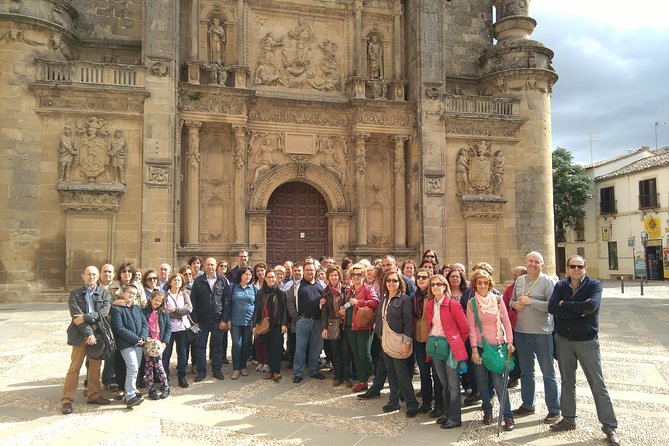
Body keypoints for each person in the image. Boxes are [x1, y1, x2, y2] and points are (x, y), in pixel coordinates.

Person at [548, 256, 620, 446]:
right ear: (567, 268)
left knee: (597, 384)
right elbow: (552, 307)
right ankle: (568, 419)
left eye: (580, 266)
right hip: (563, 340)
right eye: (573, 266)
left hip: (587, 341)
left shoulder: (594, 285)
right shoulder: (560, 286)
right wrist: (576, 310)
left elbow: (591, 306)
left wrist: (566, 305)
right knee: (566, 381)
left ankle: (609, 427)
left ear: (585, 269)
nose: (576, 269)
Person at [510, 251, 560, 423]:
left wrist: (532, 302)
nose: (533, 264)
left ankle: (554, 409)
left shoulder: (548, 282)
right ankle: (528, 404)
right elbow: (511, 301)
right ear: (526, 262)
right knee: (526, 371)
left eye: (537, 262)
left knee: (548, 372)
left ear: (542, 264)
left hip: (542, 333)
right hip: (521, 332)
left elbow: (553, 306)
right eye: (530, 261)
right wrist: (514, 304)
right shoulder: (520, 280)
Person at [467, 269, 515, 431]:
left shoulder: (498, 300)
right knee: (482, 382)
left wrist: (510, 341)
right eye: (479, 283)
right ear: (475, 285)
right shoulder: (472, 303)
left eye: (485, 283)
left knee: (499, 382)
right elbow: (472, 327)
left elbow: (506, 322)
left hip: (497, 346)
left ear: (489, 284)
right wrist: (473, 349)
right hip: (480, 347)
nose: (482, 286)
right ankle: (487, 410)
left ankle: (507, 416)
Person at [60, 266, 112, 414]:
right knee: (74, 367)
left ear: (98, 277)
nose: (91, 277)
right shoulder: (74, 294)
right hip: (80, 335)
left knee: (95, 367)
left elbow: (102, 314)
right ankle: (67, 400)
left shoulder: (105, 294)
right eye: (88, 274)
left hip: (98, 336)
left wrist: (86, 318)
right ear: (83, 276)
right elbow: (76, 318)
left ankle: (93, 395)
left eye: (94, 274)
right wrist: (89, 333)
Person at [426, 274, 469, 429]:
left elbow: (464, 328)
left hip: (450, 347)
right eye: (433, 284)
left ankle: (455, 418)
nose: (435, 286)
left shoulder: (453, 304)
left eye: (439, 284)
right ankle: (446, 413)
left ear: (445, 286)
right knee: (443, 382)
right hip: (436, 346)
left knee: (453, 384)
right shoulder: (430, 304)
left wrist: (455, 343)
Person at [376, 270, 418, 418]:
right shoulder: (384, 298)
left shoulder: (404, 299)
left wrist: (407, 342)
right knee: (391, 372)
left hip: (399, 341)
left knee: (402, 375)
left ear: (399, 283)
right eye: (388, 281)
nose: (391, 283)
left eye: (394, 280)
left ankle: (412, 403)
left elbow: (408, 323)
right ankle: (394, 401)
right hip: (386, 341)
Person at [412, 268, 443, 417]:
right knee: (424, 372)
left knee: (436, 373)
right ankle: (426, 401)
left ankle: (439, 403)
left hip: (432, 337)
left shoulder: (433, 297)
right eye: (418, 277)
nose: (421, 279)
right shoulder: (414, 296)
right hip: (418, 339)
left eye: (424, 277)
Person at [190, 257, 228, 382]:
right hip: (202, 320)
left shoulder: (222, 281)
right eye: (208, 264)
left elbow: (226, 301)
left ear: (216, 266)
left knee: (218, 346)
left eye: (212, 264)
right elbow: (193, 302)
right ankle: (201, 371)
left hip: (218, 319)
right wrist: (195, 321)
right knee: (200, 346)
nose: (210, 267)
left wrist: (224, 320)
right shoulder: (198, 281)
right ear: (204, 266)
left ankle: (216, 370)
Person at [111, 284, 148, 408]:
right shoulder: (117, 308)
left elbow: (144, 323)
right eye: (130, 292)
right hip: (126, 344)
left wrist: (142, 338)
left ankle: (129, 393)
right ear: (123, 293)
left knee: (134, 369)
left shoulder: (137, 308)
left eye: (134, 294)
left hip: (139, 343)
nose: (132, 295)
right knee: (132, 368)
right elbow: (119, 328)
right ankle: (130, 395)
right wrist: (135, 339)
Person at [344, 263, 379, 392]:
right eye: (354, 275)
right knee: (356, 355)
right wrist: (343, 309)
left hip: (364, 326)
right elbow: (348, 304)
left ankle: (372, 374)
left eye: (359, 274)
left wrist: (359, 302)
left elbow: (375, 302)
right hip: (350, 326)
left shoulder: (368, 289)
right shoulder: (350, 289)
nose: (356, 277)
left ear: (363, 276)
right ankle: (362, 381)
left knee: (364, 354)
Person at [289, 261, 326, 382]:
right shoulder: (296, 285)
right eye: (307, 270)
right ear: (303, 271)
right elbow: (290, 302)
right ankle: (298, 373)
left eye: (312, 270)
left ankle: (314, 370)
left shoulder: (321, 285)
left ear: (315, 271)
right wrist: (296, 318)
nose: (310, 272)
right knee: (300, 348)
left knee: (316, 348)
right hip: (303, 321)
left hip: (318, 321)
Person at [320, 266, 352, 387]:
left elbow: (351, 304)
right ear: (328, 277)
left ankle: (347, 377)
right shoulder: (325, 292)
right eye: (331, 275)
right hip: (332, 325)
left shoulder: (346, 289)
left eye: (335, 275)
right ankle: (338, 377)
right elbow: (324, 312)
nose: (334, 277)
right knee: (335, 352)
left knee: (346, 352)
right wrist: (324, 328)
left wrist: (345, 310)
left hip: (345, 324)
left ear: (339, 277)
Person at [253, 269, 287, 381]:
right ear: (265, 278)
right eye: (269, 277)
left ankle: (276, 372)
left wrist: (284, 324)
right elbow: (257, 310)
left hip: (277, 324)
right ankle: (272, 371)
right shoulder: (260, 293)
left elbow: (284, 310)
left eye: (273, 277)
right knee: (268, 347)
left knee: (277, 347)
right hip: (265, 324)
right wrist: (255, 325)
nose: (271, 279)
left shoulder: (281, 292)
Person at [224, 266, 257, 379]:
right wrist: (227, 319)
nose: (248, 276)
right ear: (240, 275)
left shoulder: (254, 288)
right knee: (237, 344)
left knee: (246, 345)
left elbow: (257, 306)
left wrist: (255, 322)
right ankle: (236, 368)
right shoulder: (233, 287)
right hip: (235, 321)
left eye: (249, 274)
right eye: (246, 274)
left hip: (249, 321)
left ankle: (243, 366)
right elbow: (227, 304)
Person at [163, 272, 193, 388]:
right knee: (166, 354)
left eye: (179, 280)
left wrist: (174, 310)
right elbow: (164, 311)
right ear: (170, 282)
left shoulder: (184, 294)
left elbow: (189, 309)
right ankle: (165, 378)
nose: (177, 282)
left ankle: (182, 377)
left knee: (182, 354)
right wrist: (180, 312)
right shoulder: (165, 295)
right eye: (175, 280)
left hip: (182, 328)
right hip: (169, 329)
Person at [142, 290, 171, 400]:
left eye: (160, 301)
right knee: (148, 366)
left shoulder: (163, 312)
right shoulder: (144, 311)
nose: (158, 302)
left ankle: (165, 387)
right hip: (148, 343)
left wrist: (165, 342)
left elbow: (168, 328)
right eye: (156, 300)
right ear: (151, 299)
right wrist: (145, 338)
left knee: (159, 365)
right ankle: (151, 388)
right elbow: (142, 326)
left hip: (159, 343)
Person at [502, 265, 527, 388]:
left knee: (526, 355)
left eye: (516, 276)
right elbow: (505, 306)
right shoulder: (509, 289)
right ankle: (514, 376)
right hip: (513, 326)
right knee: (513, 353)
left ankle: (526, 377)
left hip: (527, 327)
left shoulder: (528, 288)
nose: (514, 278)